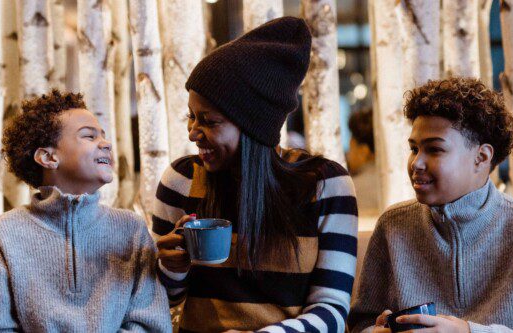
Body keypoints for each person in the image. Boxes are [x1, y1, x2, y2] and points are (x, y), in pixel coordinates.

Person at [150, 17, 359, 333]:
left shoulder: (326, 185)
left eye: (209, 121)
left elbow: (332, 309)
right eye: (191, 117)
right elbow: (159, 302)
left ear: (253, 125)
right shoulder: (181, 180)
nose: (193, 132)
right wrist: (171, 267)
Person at [347, 77, 513, 332]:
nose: (416, 163)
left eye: (434, 149)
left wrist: (469, 331)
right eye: (414, 149)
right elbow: (360, 322)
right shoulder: (393, 226)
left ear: (482, 157)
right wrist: (373, 330)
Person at [0, 91, 172, 332]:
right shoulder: (5, 232)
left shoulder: (132, 228)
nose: (105, 144)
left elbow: (151, 325)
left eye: (103, 136)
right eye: (89, 136)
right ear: (48, 157)